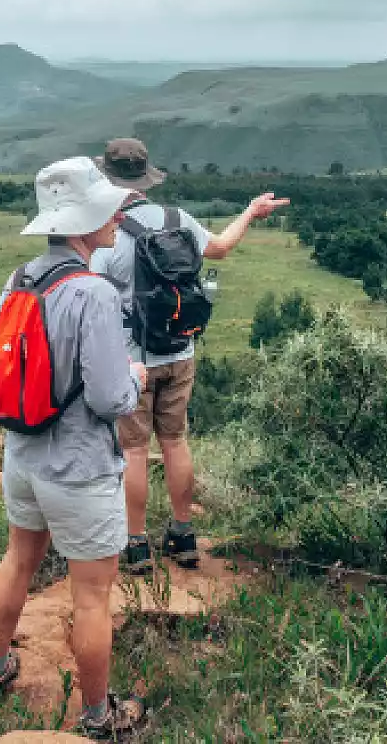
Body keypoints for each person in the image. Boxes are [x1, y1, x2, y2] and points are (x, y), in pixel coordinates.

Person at [0, 156, 150, 740]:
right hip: (78, 467)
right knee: (92, 597)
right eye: (107, 209)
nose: (115, 218)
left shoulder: (19, 279)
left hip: (23, 455)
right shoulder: (94, 292)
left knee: (18, 559)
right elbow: (109, 399)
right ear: (81, 224)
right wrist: (136, 379)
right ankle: (99, 716)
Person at [90, 138, 289, 573]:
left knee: (135, 450)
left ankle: (136, 544)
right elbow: (220, 248)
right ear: (146, 179)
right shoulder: (178, 219)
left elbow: (91, 294)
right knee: (177, 442)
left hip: (133, 360)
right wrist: (251, 213)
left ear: (108, 178)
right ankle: (183, 535)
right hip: (181, 350)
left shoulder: (106, 231)